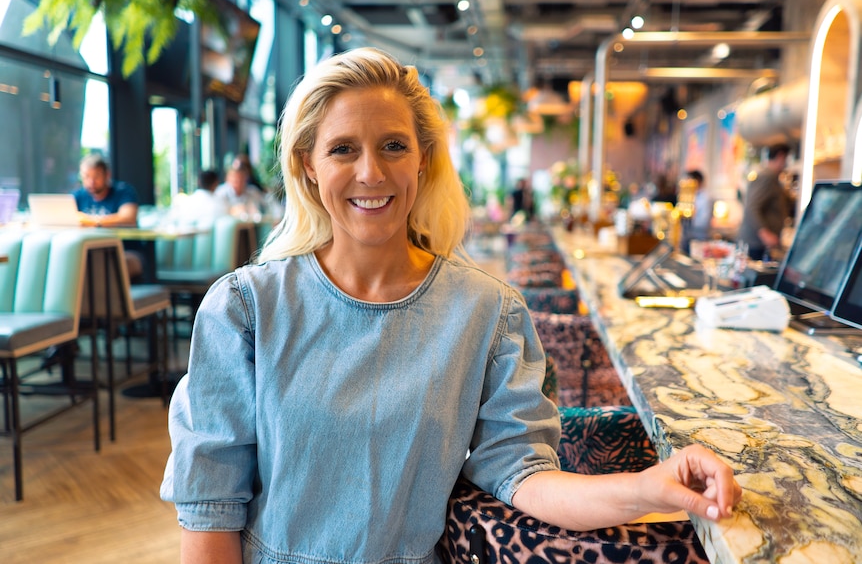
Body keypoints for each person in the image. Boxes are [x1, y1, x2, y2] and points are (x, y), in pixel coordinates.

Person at [160, 47, 741, 563]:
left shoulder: (486, 314)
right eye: (343, 149)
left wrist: (649, 486)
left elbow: (526, 476)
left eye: (393, 146)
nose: (371, 172)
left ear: (423, 159)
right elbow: (211, 508)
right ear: (309, 169)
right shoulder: (244, 309)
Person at [73, 153, 144, 279]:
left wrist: (93, 222)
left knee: (105, 264)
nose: (91, 182)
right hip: (89, 251)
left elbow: (128, 217)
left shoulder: (123, 191)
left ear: (107, 175)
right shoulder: (78, 196)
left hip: (125, 250)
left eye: (96, 176)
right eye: (86, 177)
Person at [738, 143, 792, 261]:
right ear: (781, 157)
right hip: (756, 244)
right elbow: (752, 207)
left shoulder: (771, 177)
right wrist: (765, 234)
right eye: (787, 159)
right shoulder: (767, 176)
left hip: (758, 244)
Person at [681, 169, 714, 254]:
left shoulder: (705, 198)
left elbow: (703, 223)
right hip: (686, 238)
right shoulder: (686, 197)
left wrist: (689, 217)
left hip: (699, 240)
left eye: (689, 181)